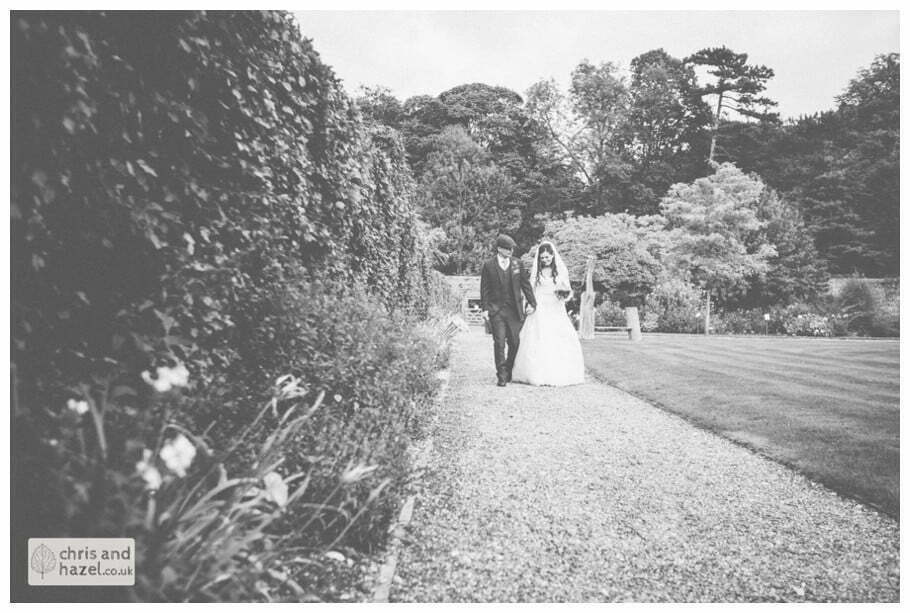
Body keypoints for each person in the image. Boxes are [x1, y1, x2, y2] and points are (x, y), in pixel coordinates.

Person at [511, 241, 585, 386]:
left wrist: (564, 295)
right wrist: (530, 305)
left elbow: (567, 291)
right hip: (540, 308)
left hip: (556, 307)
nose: (545, 260)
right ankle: (536, 373)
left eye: (547, 257)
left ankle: (559, 372)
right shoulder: (537, 272)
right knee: (538, 337)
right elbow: (531, 290)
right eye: (542, 258)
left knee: (558, 338)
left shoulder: (561, 271)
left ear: (553, 256)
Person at [480, 234, 537, 386]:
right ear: (499, 249)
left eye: (512, 248)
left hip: (514, 310)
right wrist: (485, 308)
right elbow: (484, 289)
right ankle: (501, 375)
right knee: (499, 342)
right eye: (507, 248)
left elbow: (525, 285)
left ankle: (509, 368)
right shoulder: (488, 265)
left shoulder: (518, 263)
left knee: (515, 342)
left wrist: (532, 302)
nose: (511, 251)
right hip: (496, 310)